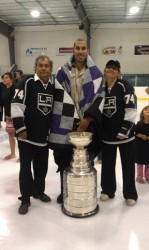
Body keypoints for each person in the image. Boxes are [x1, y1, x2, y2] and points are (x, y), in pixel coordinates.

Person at [11, 55, 79, 215]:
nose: (43, 68)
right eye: (40, 65)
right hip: (26, 137)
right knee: (26, 169)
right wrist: (20, 129)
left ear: (50, 69)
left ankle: (38, 191)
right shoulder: (27, 83)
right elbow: (16, 105)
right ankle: (26, 198)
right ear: (35, 68)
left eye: (46, 66)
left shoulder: (53, 87)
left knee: (41, 168)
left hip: (43, 138)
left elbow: (59, 109)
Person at [51, 38, 105, 204]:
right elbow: (57, 97)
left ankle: (85, 190)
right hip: (66, 120)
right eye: (77, 48)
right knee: (64, 157)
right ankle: (64, 190)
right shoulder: (63, 71)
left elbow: (100, 98)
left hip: (87, 122)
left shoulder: (96, 73)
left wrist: (88, 119)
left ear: (87, 50)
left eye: (83, 48)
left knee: (85, 158)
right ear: (73, 50)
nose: (80, 51)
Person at [100, 60, 138, 206]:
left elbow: (131, 109)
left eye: (114, 68)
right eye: (109, 67)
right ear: (104, 70)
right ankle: (108, 190)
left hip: (125, 136)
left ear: (119, 71)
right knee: (107, 165)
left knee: (127, 166)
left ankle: (130, 194)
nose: (111, 70)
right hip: (108, 136)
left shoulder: (124, 85)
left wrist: (124, 130)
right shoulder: (101, 88)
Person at [0, 72, 16, 160]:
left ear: (11, 79)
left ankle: (25, 155)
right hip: (8, 115)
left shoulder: (15, 88)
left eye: (6, 78)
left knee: (21, 136)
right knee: (10, 134)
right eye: (3, 78)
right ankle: (13, 153)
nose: (4, 79)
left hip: (17, 115)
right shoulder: (3, 89)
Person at [135, 105, 149, 184]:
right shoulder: (139, 124)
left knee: (148, 163)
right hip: (140, 147)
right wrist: (141, 135)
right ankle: (139, 177)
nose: (148, 111)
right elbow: (135, 133)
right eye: (146, 110)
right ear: (142, 114)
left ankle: (148, 176)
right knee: (140, 162)